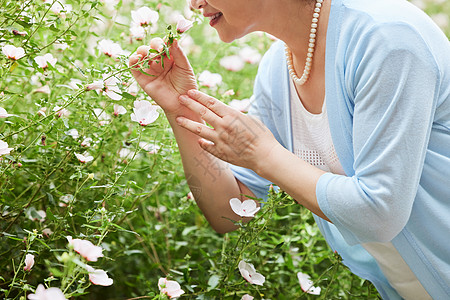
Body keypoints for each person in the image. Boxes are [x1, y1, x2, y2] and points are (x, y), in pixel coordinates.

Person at [129, 0, 450, 298]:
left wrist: (263, 153)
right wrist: (182, 109)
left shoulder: (385, 38)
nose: (194, 4)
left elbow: (380, 214)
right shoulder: (277, 72)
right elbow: (231, 212)